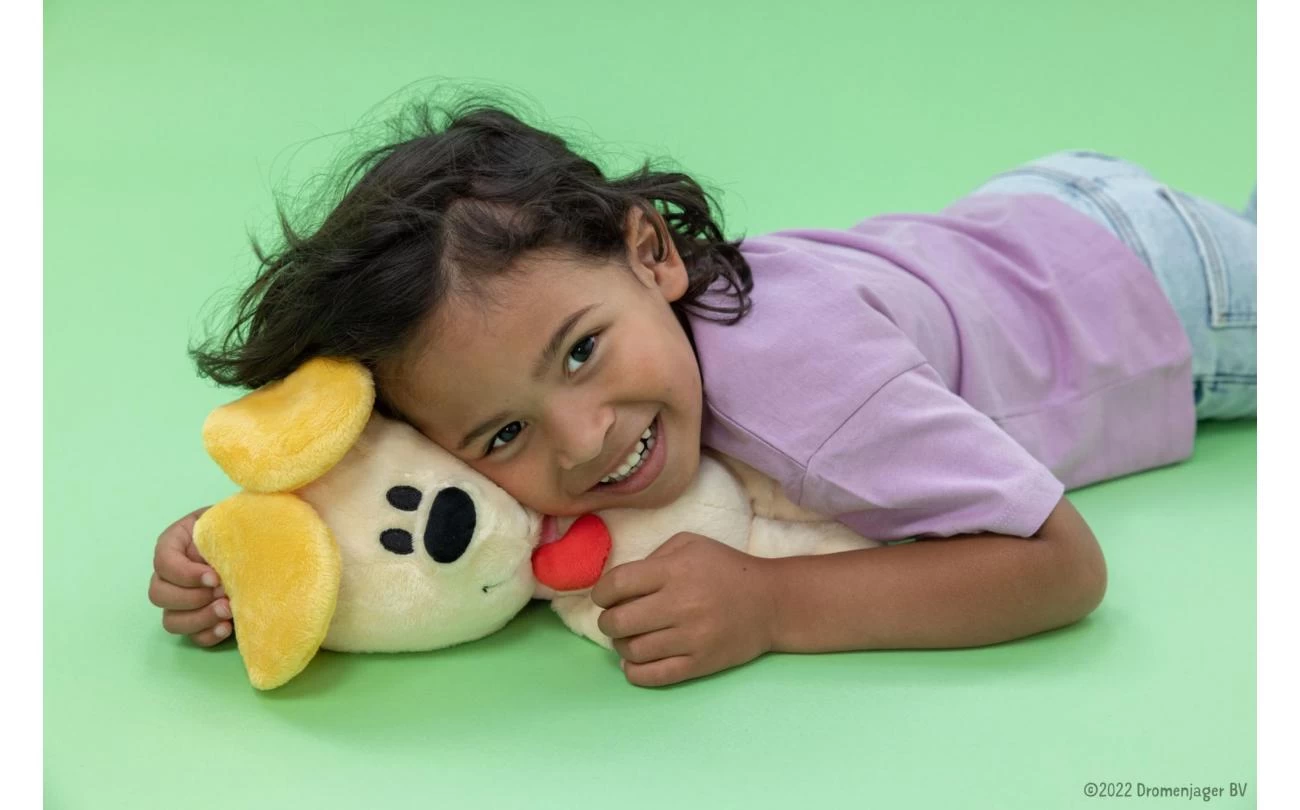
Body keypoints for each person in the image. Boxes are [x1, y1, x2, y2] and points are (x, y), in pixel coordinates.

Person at [147, 98, 1256, 687]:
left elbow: (1059, 565)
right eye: (505, 433)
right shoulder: (505, 368)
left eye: (581, 352)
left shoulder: (801, 390)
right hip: (1028, 216)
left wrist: (772, 607)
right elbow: (398, 471)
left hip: (1162, 293)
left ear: (652, 255)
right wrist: (246, 551)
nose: (581, 442)